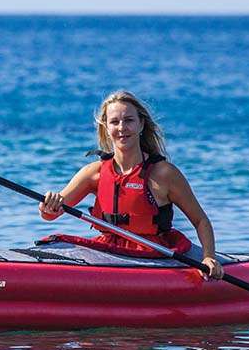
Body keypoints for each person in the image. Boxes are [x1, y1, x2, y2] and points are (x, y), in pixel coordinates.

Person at [38, 90, 224, 279]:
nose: (122, 128)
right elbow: (50, 214)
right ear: (106, 127)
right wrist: (48, 205)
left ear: (141, 124)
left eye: (129, 120)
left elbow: (201, 221)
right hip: (108, 251)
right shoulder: (94, 173)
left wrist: (208, 257)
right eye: (115, 122)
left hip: (153, 253)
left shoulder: (164, 174)